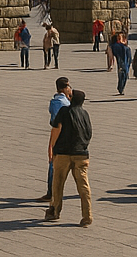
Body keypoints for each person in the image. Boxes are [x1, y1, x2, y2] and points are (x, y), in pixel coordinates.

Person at [45, 88, 92, 226]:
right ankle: (87, 215)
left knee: (58, 184)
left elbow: (56, 130)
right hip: (81, 155)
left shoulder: (64, 112)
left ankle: (55, 211)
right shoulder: (85, 114)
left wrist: (52, 149)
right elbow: (89, 134)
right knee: (84, 186)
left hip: (64, 154)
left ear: (70, 98)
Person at [42, 77, 72, 202]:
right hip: (62, 135)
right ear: (64, 88)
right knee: (54, 163)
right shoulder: (62, 103)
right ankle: (52, 192)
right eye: (69, 86)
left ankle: (51, 192)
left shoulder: (56, 101)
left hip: (59, 134)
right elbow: (58, 123)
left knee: (54, 163)